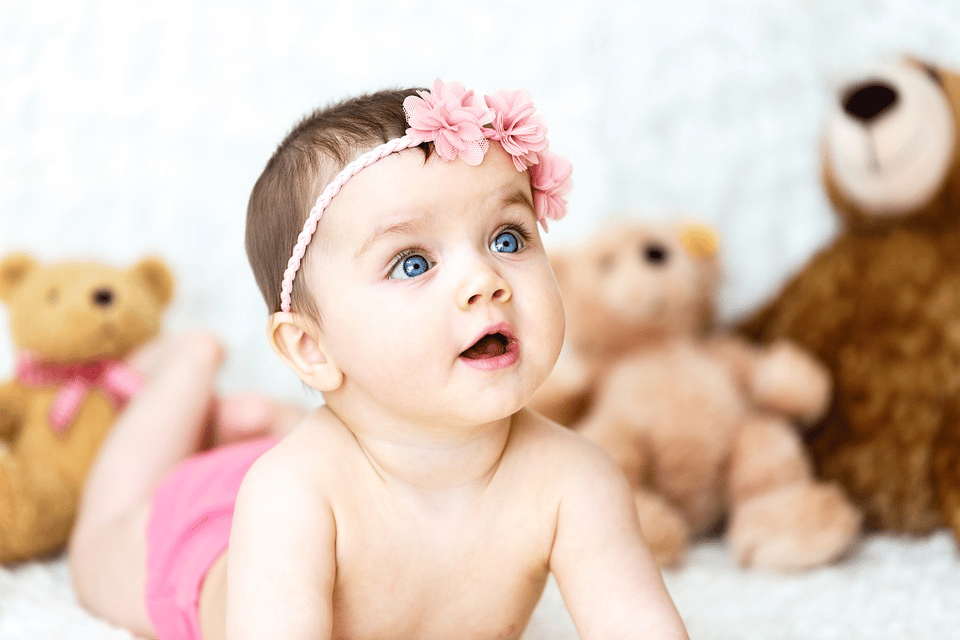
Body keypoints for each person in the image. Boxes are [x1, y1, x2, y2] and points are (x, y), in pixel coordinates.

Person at [69, 79, 689, 640]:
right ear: (312, 347)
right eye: (412, 262)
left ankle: (271, 419)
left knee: (362, 423)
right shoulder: (290, 493)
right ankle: (189, 367)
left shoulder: (576, 480)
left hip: (333, 453)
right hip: (209, 541)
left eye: (508, 237)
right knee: (100, 547)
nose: (485, 278)